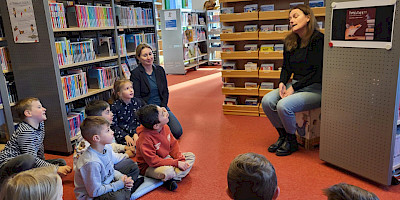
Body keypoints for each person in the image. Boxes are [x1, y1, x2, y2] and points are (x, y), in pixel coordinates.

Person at [261, 4, 324, 156]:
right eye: (290, 18)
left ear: (308, 18)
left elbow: (317, 73)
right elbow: (286, 67)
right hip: (295, 85)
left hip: (315, 88)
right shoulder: (290, 40)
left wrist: (294, 88)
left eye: (295, 16)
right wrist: (282, 83)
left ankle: (292, 141)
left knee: (283, 105)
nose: (291, 20)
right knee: (267, 101)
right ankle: (283, 136)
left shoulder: (318, 39)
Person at [0, 97, 72, 186]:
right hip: (8, 166)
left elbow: (40, 146)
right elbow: (32, 159)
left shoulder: (40, 124)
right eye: (39, 107)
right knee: (28, 159)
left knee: (61, 162)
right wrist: (54, 169)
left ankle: (37, 179)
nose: (44, 109)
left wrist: (48, 166)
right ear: (28, 113)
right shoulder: (25, 131)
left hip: (30, 164)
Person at [74, 116, 144, 200]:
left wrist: (122, 178)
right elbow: (94, 192)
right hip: (93, 196)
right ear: (96, 138)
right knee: (118, 197)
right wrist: (120, 184)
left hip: (107, 183)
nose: (112, 132)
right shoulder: (91, 162)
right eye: (108, 130)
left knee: (134, 167)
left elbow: (110, 170)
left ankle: (126, 190)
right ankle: (127, 191)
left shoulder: (106, 147)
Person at [74, 100, 139, 180]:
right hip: (94, 170)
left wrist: (124, 148)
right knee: (131, 165)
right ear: (97, 118)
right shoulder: (89, 136)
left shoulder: (99, 129)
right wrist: (126, 155)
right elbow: (107, 157)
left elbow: (109, 146)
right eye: (107, 112)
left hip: (101, 163)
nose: (112, 114)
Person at [135, 104, 195, 191]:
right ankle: (172, 176)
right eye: (162, 114)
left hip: (165, 158)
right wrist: (176, 163)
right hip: (149, 166)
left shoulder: (165, 127)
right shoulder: (145, 138)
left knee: (191, 156)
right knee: (168, 171)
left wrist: (179, 159)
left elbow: (173, 145)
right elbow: (153, 161)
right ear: (156, 126)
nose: (166, 112)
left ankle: (170, 179)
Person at [130, 43, 183, 139]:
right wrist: (151, 111)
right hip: (147, 109)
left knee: (178, 132)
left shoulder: (159, 70)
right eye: (145, 55)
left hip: (162, 107)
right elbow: (137, 97)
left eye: (150, 54)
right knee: (154, 134)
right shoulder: (136, 74)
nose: (149, 57)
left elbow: (165, 92)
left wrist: (163, 107)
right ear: (138, 57)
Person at [110, 79, 145, 147]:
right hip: (123, 134)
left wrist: (136, 133)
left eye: (131, 87)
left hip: (138, 131)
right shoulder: (114, 107)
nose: (131, 90)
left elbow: (142, 119)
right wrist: (125, 136)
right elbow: (114, 125)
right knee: (132, 146)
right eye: (127, 88)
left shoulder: (137, 102)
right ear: (119, 93)